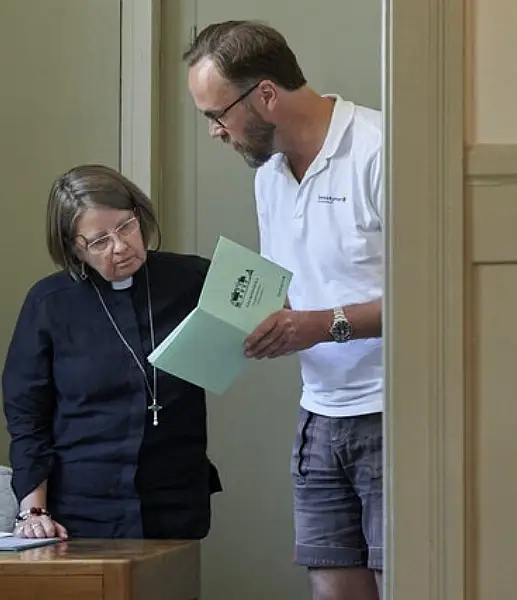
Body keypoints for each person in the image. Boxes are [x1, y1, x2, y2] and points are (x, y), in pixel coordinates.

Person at [183, 21, 385, 600]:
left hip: (397, 412)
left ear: (265, 94)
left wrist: (319, 326)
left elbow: (434, 297)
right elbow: (294, 289)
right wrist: (245, 324)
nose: (217, 133)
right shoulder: (270, 174)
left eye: (216, 115)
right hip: (319, 416)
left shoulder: (380, 148)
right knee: (332, 591)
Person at [1, 163, 222, 541]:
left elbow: (273, 301)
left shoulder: (193, 279)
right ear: (73, 248)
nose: (120, 246)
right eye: (99, 241)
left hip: (174, 503)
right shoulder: (50, 303)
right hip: (83, 511)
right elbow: (27, 415)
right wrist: (33, 509)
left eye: (126, 226)